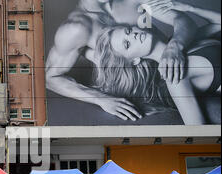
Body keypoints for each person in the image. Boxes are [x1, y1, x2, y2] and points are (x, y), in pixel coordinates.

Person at [45, 0, 198, 122]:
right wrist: (100, 99)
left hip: (182, 70)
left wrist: (174, 46)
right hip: (149, 94)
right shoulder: (77, 28)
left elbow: (182, 19)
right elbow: (50, 78)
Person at [93, 1, 220, 125]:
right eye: (127, 44)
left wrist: (190, 8)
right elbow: (196, 129)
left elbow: (218, 23)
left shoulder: (179, 41)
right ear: (135, 60)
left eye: (128, 31)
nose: (133, 36)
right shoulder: (173, 75)